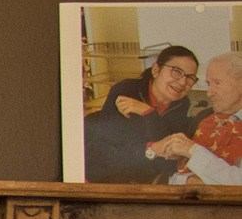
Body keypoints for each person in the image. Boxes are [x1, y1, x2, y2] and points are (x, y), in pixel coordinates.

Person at [83, 45, 199, 183]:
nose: (182, 82)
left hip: (142, 180)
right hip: (102, 175)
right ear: (156, 70)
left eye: (190, 77)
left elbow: (168, 151)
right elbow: (110, 147)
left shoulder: (182, 103)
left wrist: (147, 112)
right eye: (176, 71)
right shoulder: (126, 89)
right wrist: (153, 149)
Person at [149, 50, 242, 185]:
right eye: (209, 84)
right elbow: (172, 178)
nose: (209, 93)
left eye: (217, 83)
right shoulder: (205, 118)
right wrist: (188, 180)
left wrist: (193, 151)